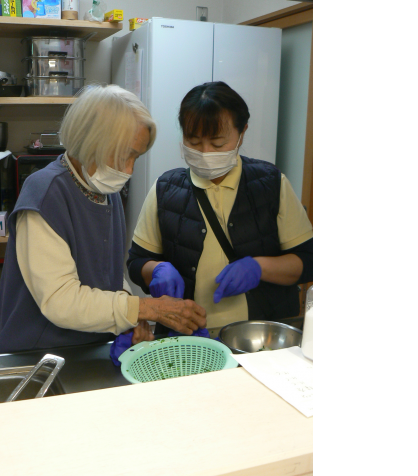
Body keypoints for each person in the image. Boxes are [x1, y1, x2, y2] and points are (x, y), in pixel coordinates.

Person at [0, 85, 207, 355]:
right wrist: (146, 308)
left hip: (85, 349)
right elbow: (61, 300)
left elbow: (106, 273)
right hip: (35, 352)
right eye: (123, 155)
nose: (129, 169)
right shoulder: (45, 193)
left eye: (136, 157)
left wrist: (129, 316)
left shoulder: (106, 192)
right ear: (90, 140)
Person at [126, 81, 313, 338]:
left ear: (242, 133)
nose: (205, 153)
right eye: (193, 142)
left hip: (259, 337)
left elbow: (308, 260)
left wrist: (259, 268)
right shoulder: (165, 189)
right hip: (188, 337)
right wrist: (155, 270)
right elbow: (136, 262)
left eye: (217, 143)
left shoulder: (271, 184)